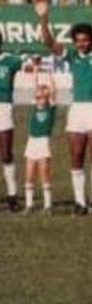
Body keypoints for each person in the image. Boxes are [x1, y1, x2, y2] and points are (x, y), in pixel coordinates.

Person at [37, 3, 92, 214]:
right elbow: (49, 42)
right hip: (77, 110)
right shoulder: (71, 55)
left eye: (85, 40)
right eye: (78, 41)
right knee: (76, 156)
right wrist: (43, 18)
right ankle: (80, 202)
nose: (81, 44)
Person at [23, 63, 55, 214]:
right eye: (38, 97)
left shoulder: (51, 109)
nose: (39, 99)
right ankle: (29, 205)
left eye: (42, 97)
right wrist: (36, 72)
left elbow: (54, 91)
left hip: (43, 143)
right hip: (32, 142)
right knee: (29, 173)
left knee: (44, 173)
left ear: (47, 98)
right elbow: (34, 86)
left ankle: (48, 206)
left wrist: (49, 74)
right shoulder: (35, 107)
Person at [0, 34, 24, 210]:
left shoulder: (9, 60)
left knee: (6, 153)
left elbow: (26, 61)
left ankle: (12, 195)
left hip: (3, 107)